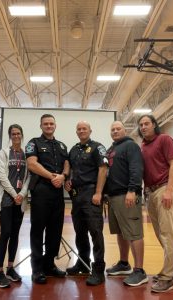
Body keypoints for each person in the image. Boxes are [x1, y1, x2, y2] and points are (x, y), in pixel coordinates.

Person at [25, 114, 69, 284]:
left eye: (51, 123)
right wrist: (53, 176)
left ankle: (49, 264)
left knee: (55, 231)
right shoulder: (34, 142)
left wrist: (63, 176)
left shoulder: (61, 145)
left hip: (57, 193)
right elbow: (32, 164)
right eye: (46, 124)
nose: (49, 126)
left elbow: (67, 163)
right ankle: (36, 269)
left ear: (55, 125)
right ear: (41, 125)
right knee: (37, 231)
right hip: (41, 191)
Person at [138, 114, 173, 293]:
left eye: (147, 123)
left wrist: (169, 190)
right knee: (160, 234)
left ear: (154, 125)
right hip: (150, 192)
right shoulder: (143, 146)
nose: (143, 127)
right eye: (141, 125)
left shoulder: (164, 139)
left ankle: (167, 278)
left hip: (164, 189)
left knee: (167, 233)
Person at [105, 121, 148, 287]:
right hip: (114, 197)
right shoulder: (111, 149)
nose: (115, 131)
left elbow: (136, 169)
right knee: (121, 232)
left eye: (118, 129)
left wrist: (132, 190)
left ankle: (139, 271)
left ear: (125, 130)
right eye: (112, 129)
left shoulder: (131, 146)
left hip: (127, 195)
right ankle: (124, 264)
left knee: (134, 232)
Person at [65, 121, 107, 286]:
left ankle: (98, 270)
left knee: (95, 233)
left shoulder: (97, 147)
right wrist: (67, 179)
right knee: (80, 232)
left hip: (92, 194)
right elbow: (69, 166)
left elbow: (103, 169)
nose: (81, 131)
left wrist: (98, 192)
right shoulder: (74, 149)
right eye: (79, 129)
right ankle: (83, 264)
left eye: (84, 129)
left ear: (90, 131)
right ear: (76, 132)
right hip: (76, 195)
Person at [0, 124, 29, 288]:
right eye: (13, 133)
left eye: (18, 133)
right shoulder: (3, 152)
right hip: (7, 199)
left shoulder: (26, 154)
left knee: (15, 234)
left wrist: (22, 193)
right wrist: (15, 194)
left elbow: (28, 176)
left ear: (22, 135)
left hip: (20, 200)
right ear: (10, 135)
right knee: (6, 232)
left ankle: (10, 268)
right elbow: (1, 175)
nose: (16, 136)